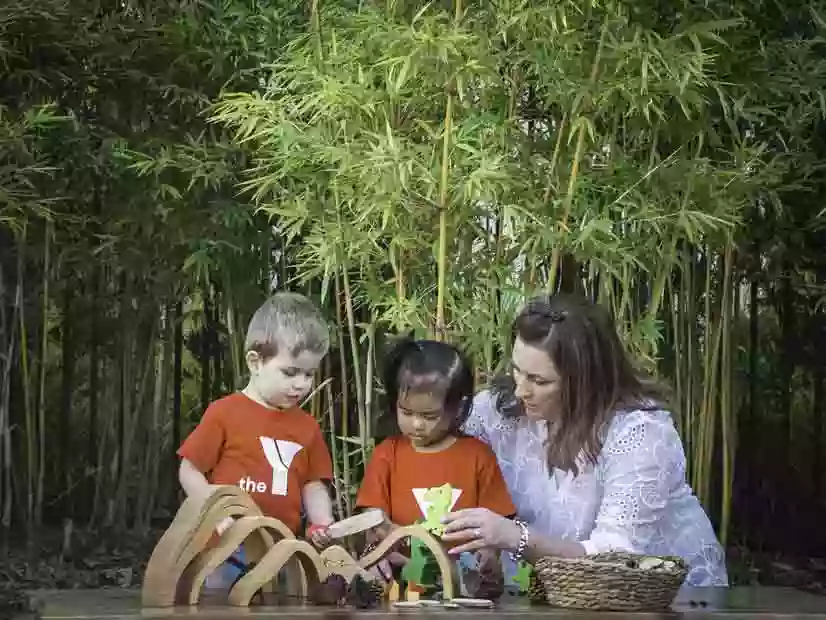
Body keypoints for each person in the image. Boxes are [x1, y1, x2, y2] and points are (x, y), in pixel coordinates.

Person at [440, 293, 729, 589]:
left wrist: (514, 537)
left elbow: (616, 557)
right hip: (554, 597)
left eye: (539, 381)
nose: (520, 391)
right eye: (517, 371)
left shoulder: (639, 431)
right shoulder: (496, 412)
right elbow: (438, 462)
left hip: (669, 600)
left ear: (586, 380)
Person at [176, 292, 336, 588]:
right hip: (225, 548)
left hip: (282, 548)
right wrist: (214, 512)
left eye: (309, 374)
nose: (301, 384)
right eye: (290, 372)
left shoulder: (307, 427)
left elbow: (314, 483)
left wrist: (322, 522)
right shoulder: (225, 413)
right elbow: (190, 469)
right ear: (255, 361)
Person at [355, 338, 516, 593]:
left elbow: (496, 525)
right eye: (406, 412)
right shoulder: (387, 453)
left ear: (458, 408)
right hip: (400, 582)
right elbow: (372, 520)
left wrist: (488, 556)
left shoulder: (478, 456)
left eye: (429, 416)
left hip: (464, 585)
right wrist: (381, 544)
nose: (417, 424)